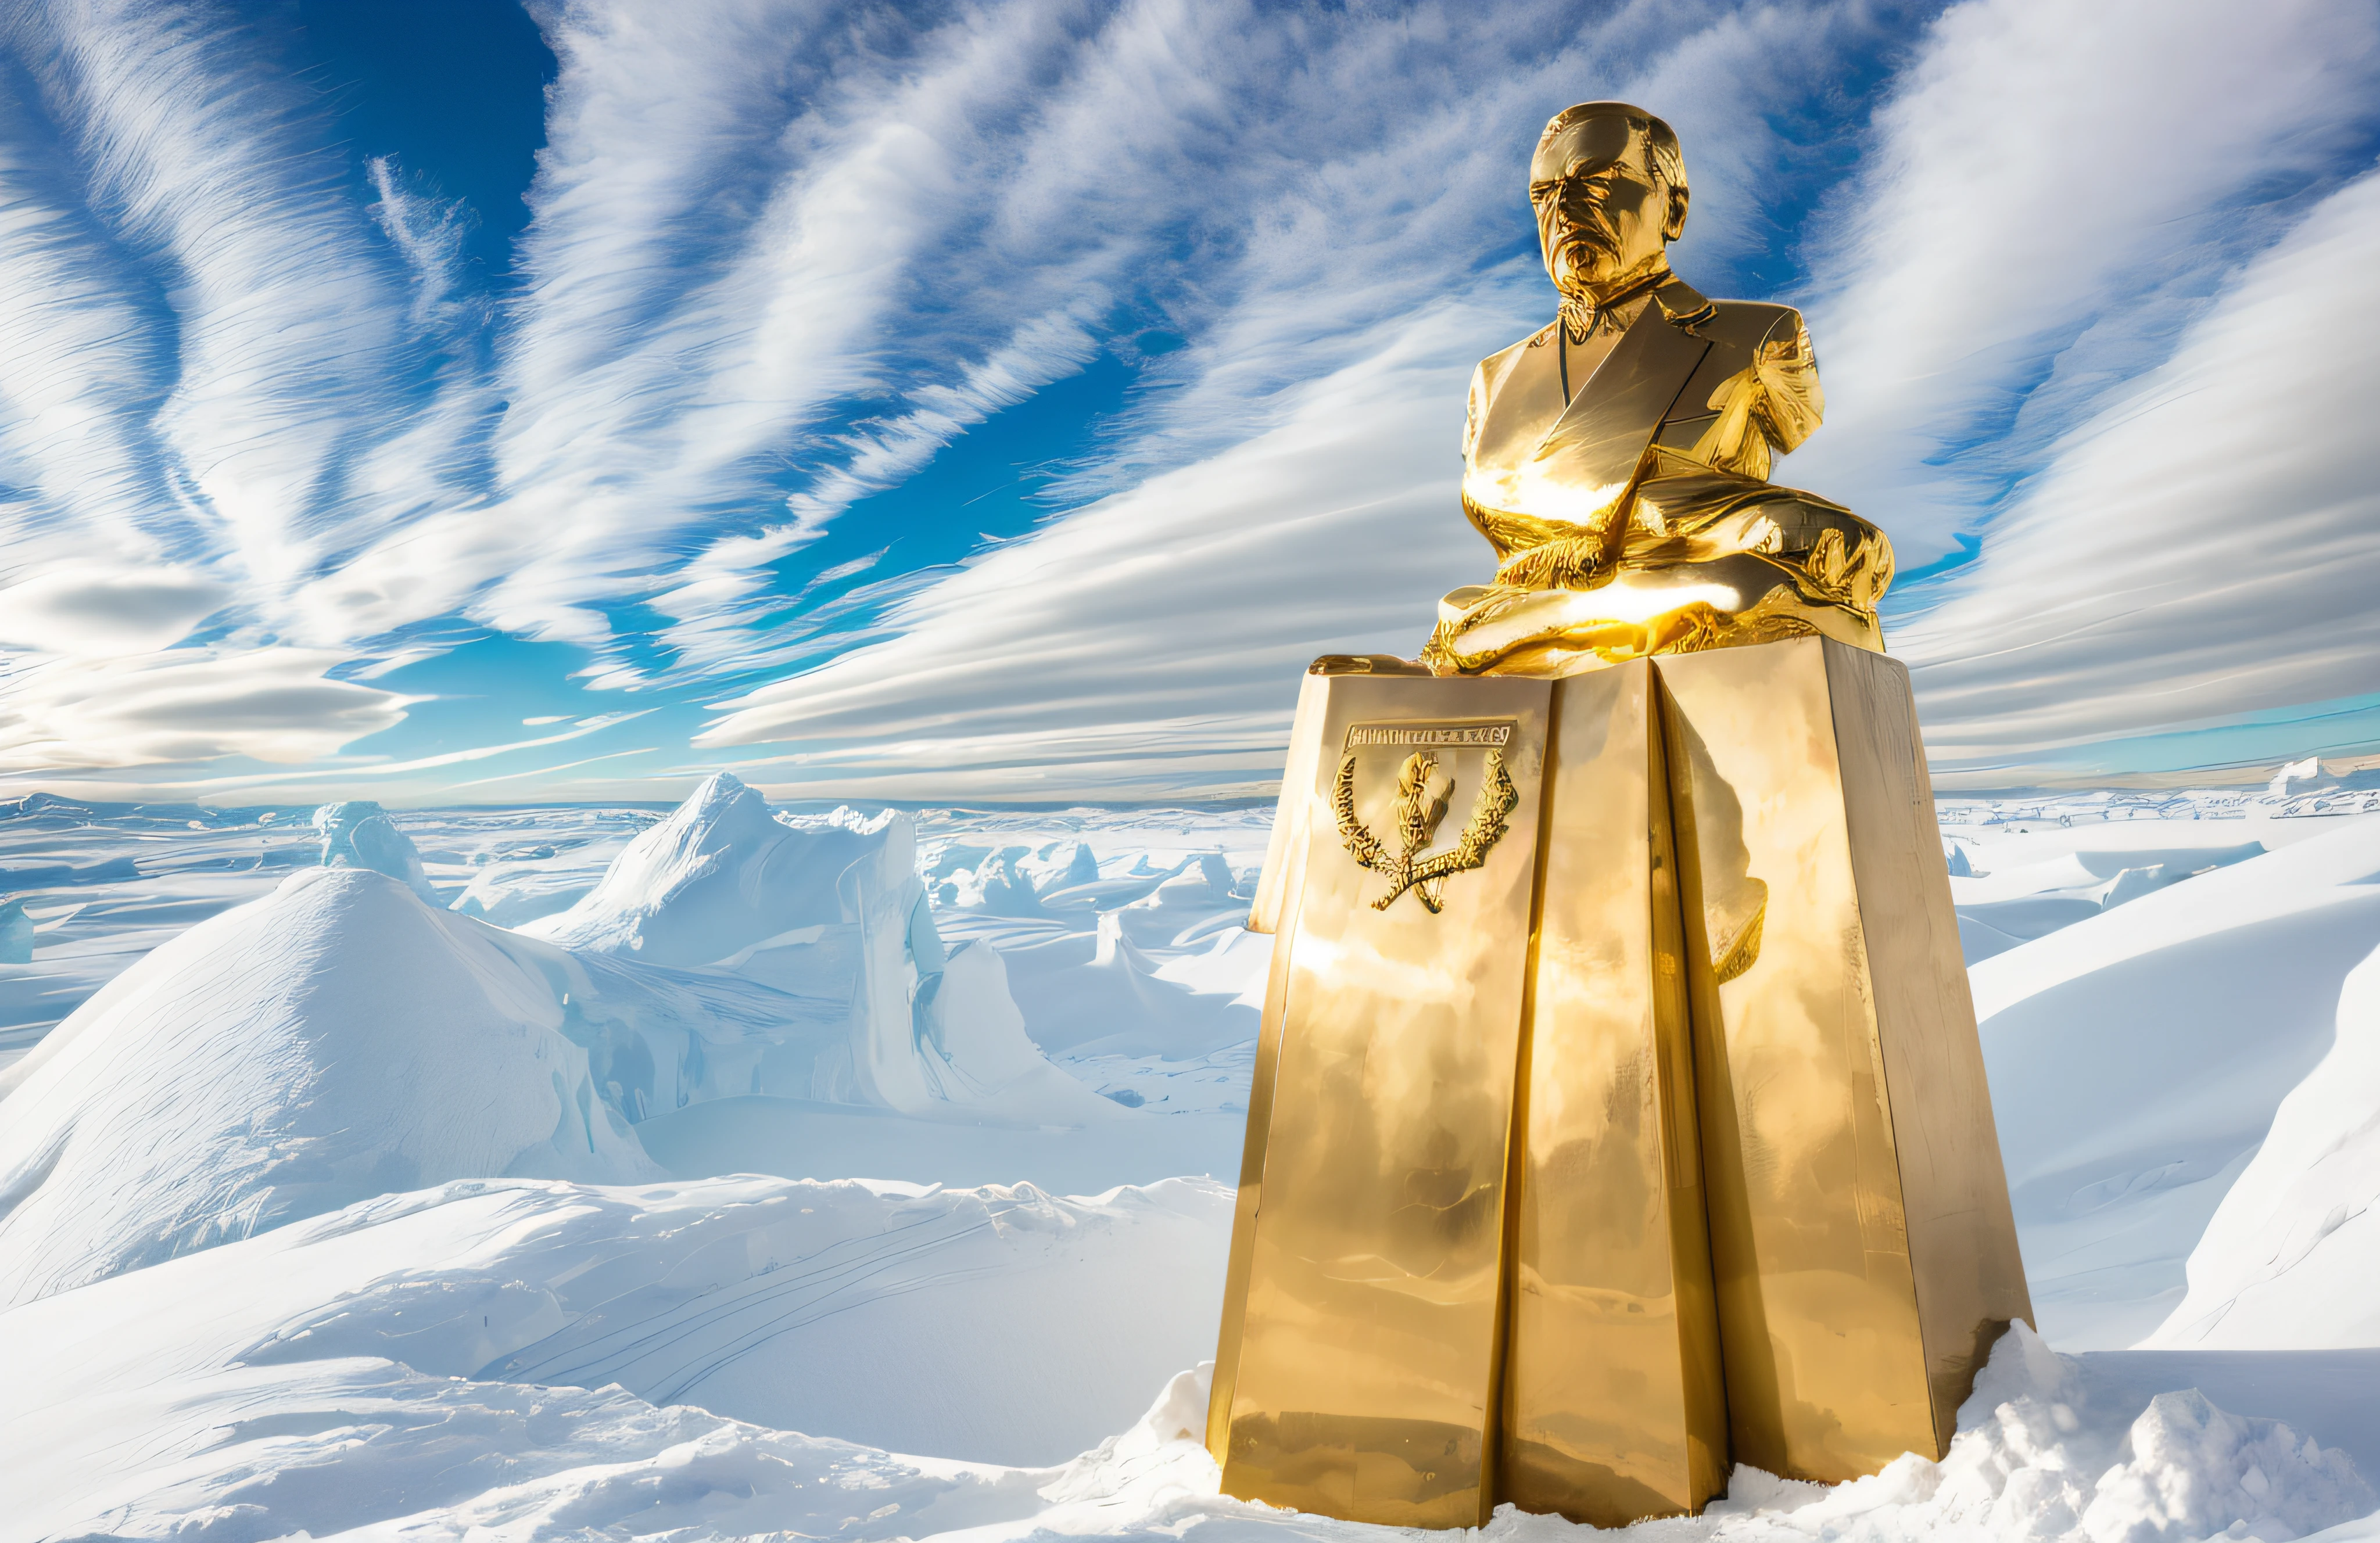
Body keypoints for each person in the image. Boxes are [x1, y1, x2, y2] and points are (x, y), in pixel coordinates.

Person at [1421, 101, 1893, 677]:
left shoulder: (1760, 338)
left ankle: (1486, 636)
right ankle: (1514, 631)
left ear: (1673, 207)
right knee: (1743, 595)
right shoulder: (1493, 379)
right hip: (1667, 596)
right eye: (1543, 194)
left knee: (1779, 574)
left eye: (1597, 179)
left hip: (1675, 577)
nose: (1564, 209)